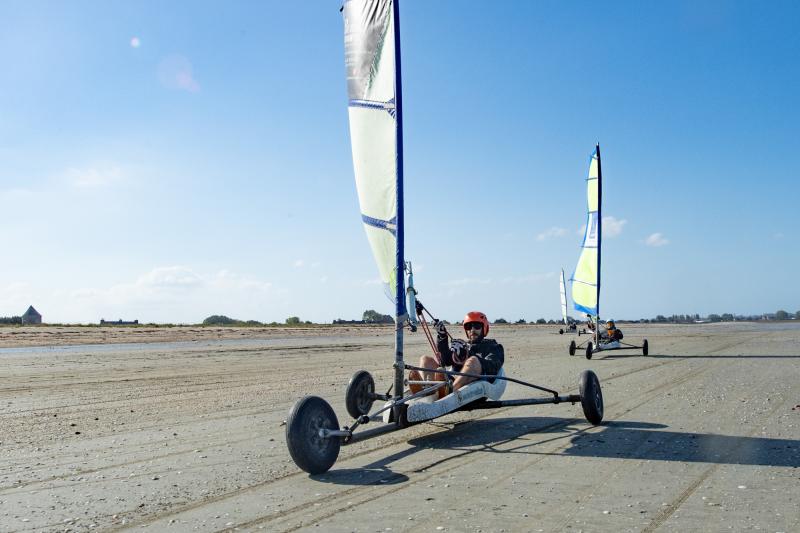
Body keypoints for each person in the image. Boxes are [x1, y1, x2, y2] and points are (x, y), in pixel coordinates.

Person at [409, 311, 504, 395]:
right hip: (453, 380)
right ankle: (427, 388)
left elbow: (493, 366)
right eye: (468, 327)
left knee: (473, 361)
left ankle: (449, 391)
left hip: (477, 385)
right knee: (425, 359)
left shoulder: (494, 347)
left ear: (484, 328)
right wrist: (443, 337)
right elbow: (445, 361)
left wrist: (467, 356)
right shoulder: (462, 345)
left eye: (477, 326)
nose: (472, 330)